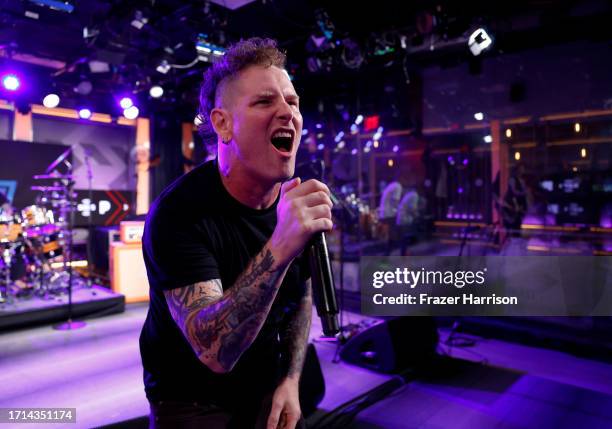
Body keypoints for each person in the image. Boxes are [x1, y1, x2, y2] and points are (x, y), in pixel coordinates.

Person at [139, 38, 333, 429]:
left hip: (266, 382)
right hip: (193, 400)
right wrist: (281, 245)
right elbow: (214, 352)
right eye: (265, 102)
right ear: (222, 123)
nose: (288, 113)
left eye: (292, 102)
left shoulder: (290, 197)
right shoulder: (179, 214)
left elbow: (301, 294)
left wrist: (290, 378)